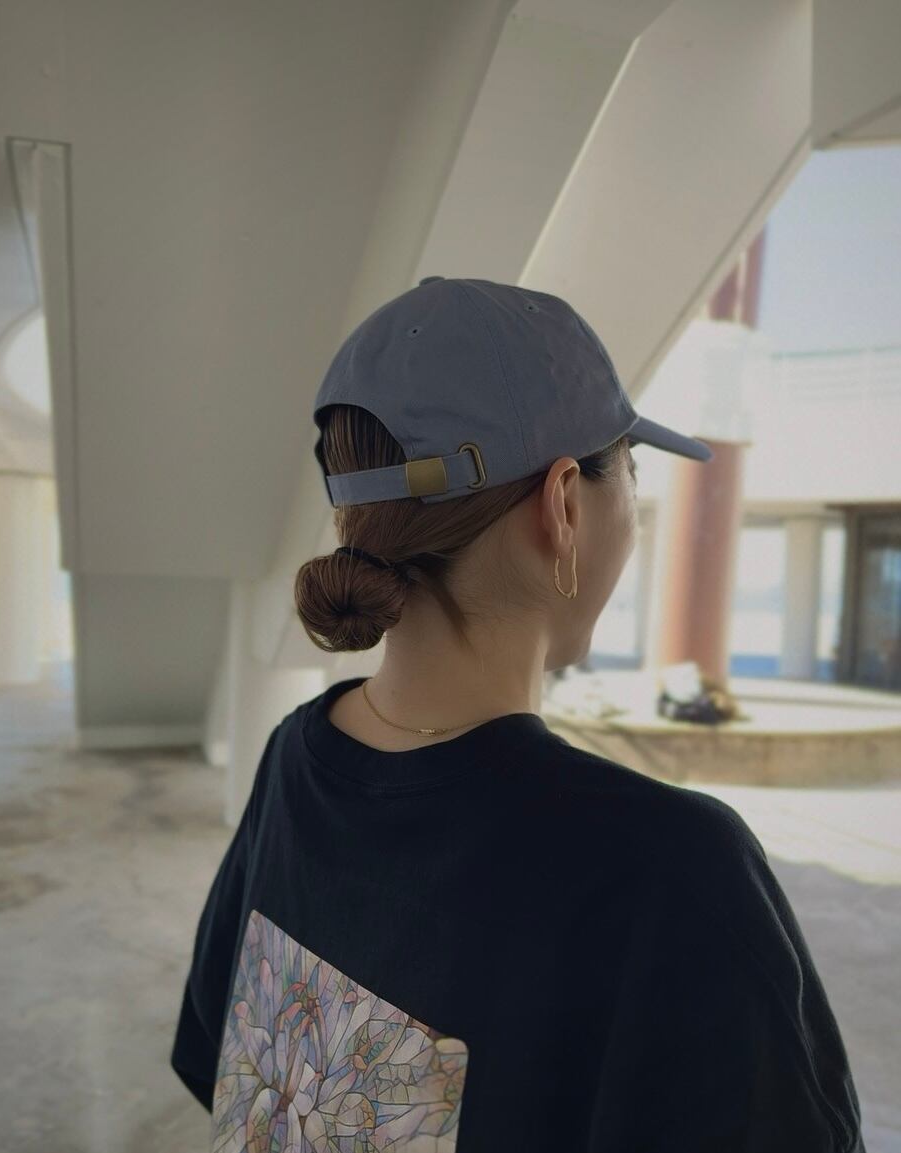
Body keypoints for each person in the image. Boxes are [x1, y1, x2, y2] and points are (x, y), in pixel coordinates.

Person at [170, 277, 866, 1151]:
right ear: (564, 503)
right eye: (631, 471)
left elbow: (222, 1066)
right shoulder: (673, 869)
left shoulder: (293, 757)